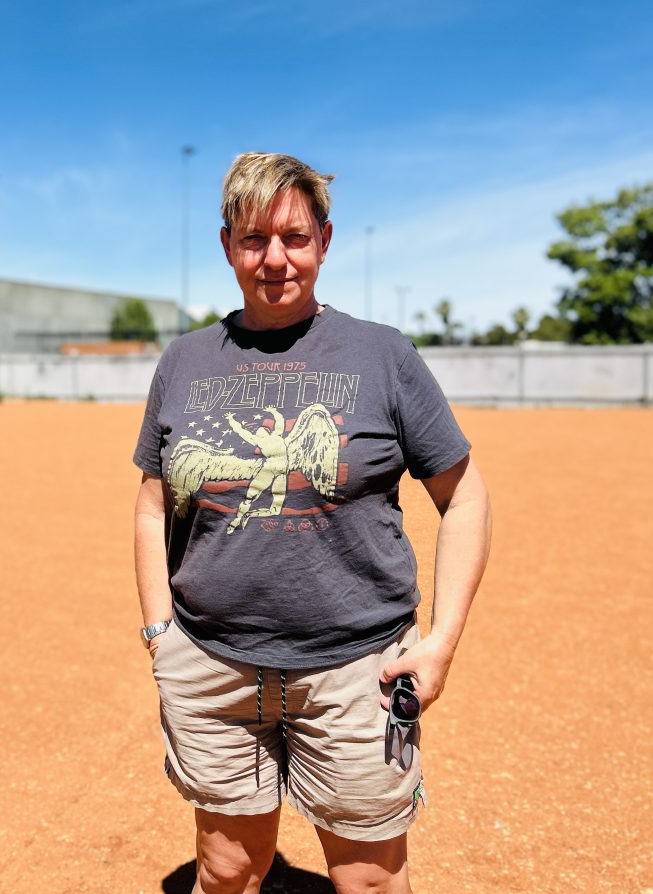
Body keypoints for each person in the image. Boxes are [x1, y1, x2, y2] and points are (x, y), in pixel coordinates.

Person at [133, 152, 492, 894]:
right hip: (213, 668)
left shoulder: (383, 355)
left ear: (324, 242)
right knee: (227, 869)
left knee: (367, 881)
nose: (275, 259)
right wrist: (159, 634)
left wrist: (443, 643)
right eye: (254, 239)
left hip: (356, 670)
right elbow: (149, 506)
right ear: (228, 245)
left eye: (295, 238)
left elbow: (465, 498)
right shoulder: (185, 361)